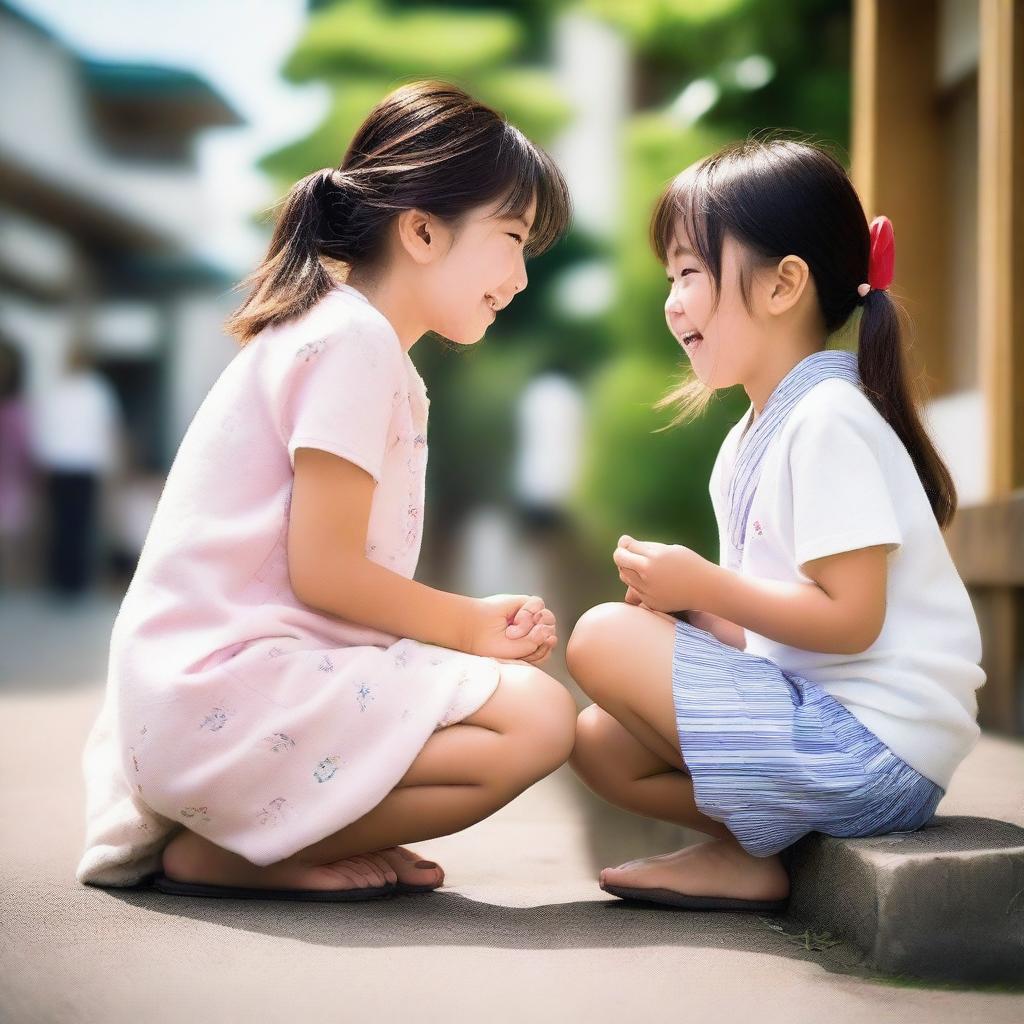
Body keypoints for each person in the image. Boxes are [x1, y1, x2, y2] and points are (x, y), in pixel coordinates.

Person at [76, 81, 576, 901]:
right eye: (513, 238)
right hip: (220, 700)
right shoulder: (352, 342)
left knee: (516, 712)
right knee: (538, 718)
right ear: (420, 229)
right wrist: (470, 626)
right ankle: (242, 852)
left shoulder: (342, 335)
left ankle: (297, 828)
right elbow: (327, 572)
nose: (519, 276)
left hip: (209, 702)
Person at [566, 137, 985, 912]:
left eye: (691, 271)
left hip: (875, 754)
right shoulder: (748, 439)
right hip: (826, 725)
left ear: (783, 284)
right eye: (671, 276)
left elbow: (853, 621)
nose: (673, 300)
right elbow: (778, 635)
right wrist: (695, 613)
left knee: (597, 637)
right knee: (595, 742)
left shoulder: (829, 420)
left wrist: (705, 583)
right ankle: (750, 850)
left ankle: (743, 848)